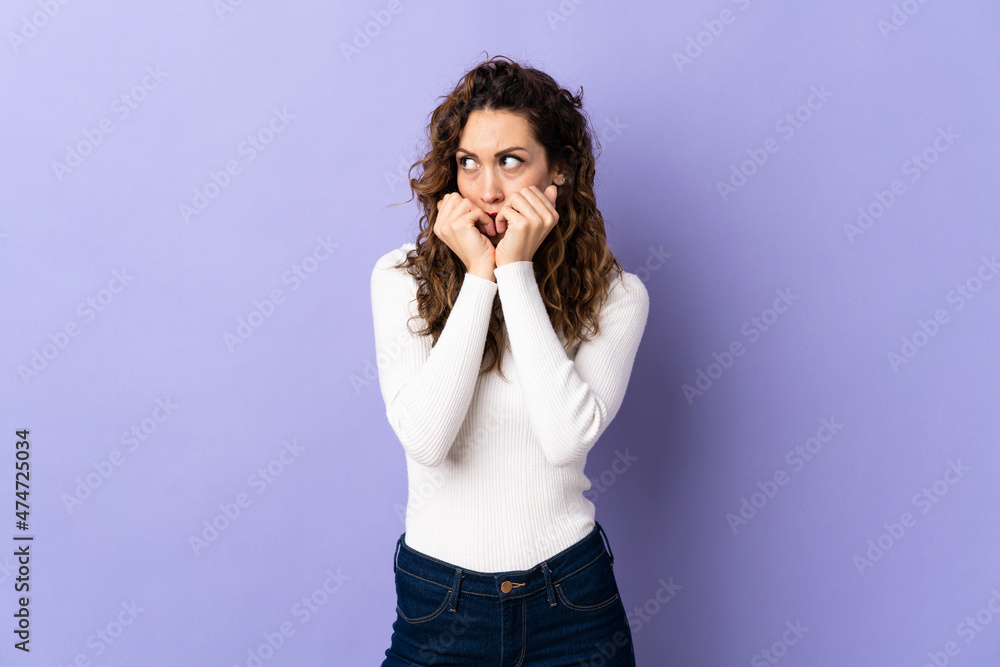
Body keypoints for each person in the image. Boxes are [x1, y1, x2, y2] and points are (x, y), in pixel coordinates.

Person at [372, 55, 649, 666]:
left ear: (560, 170)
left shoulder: (616, 296)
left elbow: (565, 440)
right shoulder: (400, 279)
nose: (488, 189)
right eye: (469, 162)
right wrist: (479, 276)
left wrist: (515, 272)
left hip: (571, 605)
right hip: (440, 605)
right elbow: (427, 440)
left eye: (512, 160)